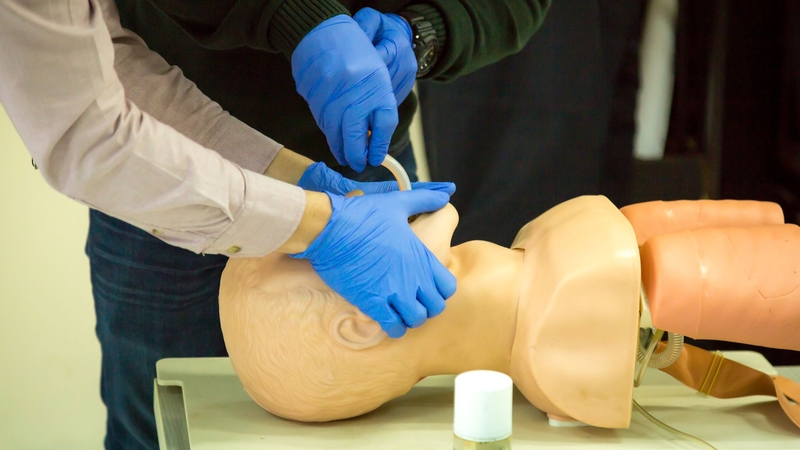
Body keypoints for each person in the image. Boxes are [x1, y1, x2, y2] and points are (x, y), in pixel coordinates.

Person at [0, 0, 552, 448]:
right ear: (358, 325)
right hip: (155, 195)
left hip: (274, 146)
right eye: (456, 255)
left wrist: (429, 31)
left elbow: (121, 75)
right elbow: (88, 128)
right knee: (152, 431)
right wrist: (321, 223)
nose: (448, 224)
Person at [219, 196, 800, 428]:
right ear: (363, 325)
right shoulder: (569, 316)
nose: (335, 222)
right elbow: (440, 216)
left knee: (722, 247)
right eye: (318, 249)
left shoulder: (549, 260)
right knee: (705, 269)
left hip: (571, 270)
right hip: (576, 290)